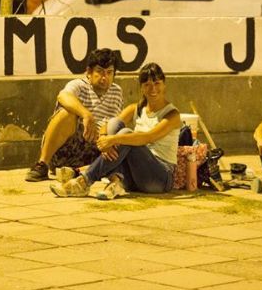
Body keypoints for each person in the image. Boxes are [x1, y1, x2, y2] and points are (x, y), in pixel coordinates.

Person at [50, 62, 181, 200]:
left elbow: (148, 137)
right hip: (134, 179)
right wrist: (105, 141)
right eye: (147, 84)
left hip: (160, 178)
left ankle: (84, 181)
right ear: (141, 88)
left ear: (164, 84)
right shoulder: (135, 108)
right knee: (114, 124)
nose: (153, 89)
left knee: (126, 135)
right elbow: (107, 126)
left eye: (157, 83)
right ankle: (115, 183)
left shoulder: (172, 114)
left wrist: (113, 140)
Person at [25, 48, 123, 182]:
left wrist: (105, 140)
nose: (104, 77)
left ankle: (79, 172)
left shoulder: (116, 92)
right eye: (99, 72)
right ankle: (42, 165)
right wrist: (86, 115)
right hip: (68, 146)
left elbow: (112, 122)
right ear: (89, 72)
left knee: (120, 134)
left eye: (109, 72)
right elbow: (63, 96)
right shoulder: (79, 85)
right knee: (66, 114)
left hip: (96, 146)